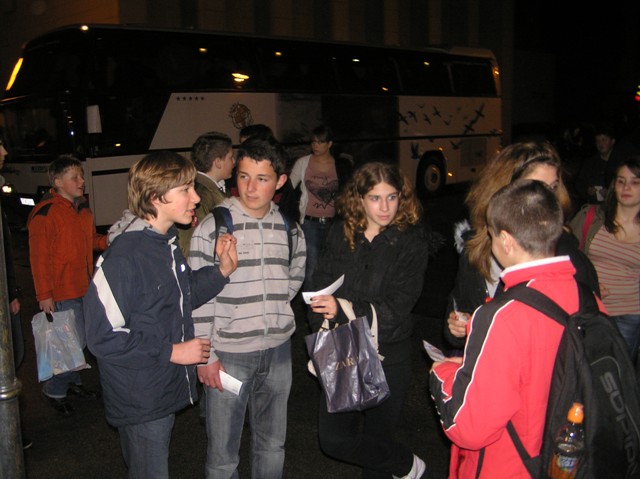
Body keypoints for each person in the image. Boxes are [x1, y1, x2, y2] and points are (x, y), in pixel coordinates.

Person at [430, 179, 601, 478]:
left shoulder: (502, 315)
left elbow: (469, 428)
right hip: (564, 461)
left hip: (509, 465)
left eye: (492, 234)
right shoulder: (588, 298)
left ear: (506, 241)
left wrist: (442, 373)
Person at [83, 151, 238, 479]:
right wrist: (172, 352)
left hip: (158, 388)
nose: (196, 198)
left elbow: (183, 294)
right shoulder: (125, 257)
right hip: (140, 396)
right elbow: (101, 336)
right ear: (155, 197)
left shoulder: (164, 243)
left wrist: (221, 271)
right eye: (185, 190)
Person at [188, 136, 306, 478]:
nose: (250, 188)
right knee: (223, 455)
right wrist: (206, 356)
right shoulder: (214, 227)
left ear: (280, 181)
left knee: (272, 445)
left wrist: (274, 308)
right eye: (243, 176)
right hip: (229, 354)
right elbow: (197, 297)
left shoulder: (290, 229)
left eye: (262, 179)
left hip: (278, 351)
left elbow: (294, 277)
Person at [308, 162, 431, 479]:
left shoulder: (411, 241)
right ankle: (406, 465)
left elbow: (398, 306)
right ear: (359, 198)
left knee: (378, 443)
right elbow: (320, 283)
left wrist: (343, 308)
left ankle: (394, 467)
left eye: (392, 197)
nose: (385, 207)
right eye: (375, 198)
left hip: (389, 352)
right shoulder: (342, 232)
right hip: (345, 347)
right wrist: (321, 327)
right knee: (334, 439)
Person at [444, 141, 600, 351]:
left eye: (553, 188)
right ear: (502, 190)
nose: (548, 200)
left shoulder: (568, 260)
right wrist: (459, 327)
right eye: (535, 188)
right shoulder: (477, 245)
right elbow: (459, 305)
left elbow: (581, 345)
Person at [27, 154, 107, 416]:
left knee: (75, 343)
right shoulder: (46, 213)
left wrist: (107, 241)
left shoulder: (82, 210)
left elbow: (91, 241)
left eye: (81, 176)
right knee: (74, 343)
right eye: (75, 177)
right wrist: (44, 294)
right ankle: (54, 389)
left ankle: (72, 383)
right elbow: (38, 259)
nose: (81, 181)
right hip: (62, 291)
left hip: (84, 288)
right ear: (58, 182)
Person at [569, 156, 640, 364]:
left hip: (630, 313)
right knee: (583, 368)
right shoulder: (592, 217)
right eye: (621, 181)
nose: (626, 187)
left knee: (617, 371)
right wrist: (587, 283)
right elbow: (565, 255)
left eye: (635, 182)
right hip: (589, 308)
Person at [290, 125, 352, 288]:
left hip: (334, 223)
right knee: (312, 267)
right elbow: (289, 187)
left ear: (329, 144)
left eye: (320, 142)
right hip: (310, 222)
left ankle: (332, 299)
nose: (315, 145)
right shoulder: (303, 163)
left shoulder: (340, 164)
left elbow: (348, 191)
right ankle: (312, 302)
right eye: (313, 142)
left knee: (334, 265)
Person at [177, 131, 234, 254]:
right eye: (230, 157)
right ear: (218, 162)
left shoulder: (218, 189)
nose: (234, 162)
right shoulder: (201, 195)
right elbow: (190, 241)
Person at [574, 123, 637, 206]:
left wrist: (611, 194)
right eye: (598, 140)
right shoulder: (590, 163)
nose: (600, 143)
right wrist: (587, 190)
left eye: (604, 140)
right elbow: (579, 184)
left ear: (612, 141)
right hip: (594, 207)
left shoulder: (621, 164)